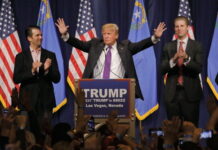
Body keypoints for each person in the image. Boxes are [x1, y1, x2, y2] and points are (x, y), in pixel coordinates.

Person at [56, 18, 166, 99]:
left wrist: (155, 37)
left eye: (109, 33)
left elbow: (141, 45)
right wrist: (66, 35)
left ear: (116, 35)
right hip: (96, 89)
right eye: (104, 34)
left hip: (119, 90)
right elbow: (79, 44)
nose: (106, 36)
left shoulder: (126, 46)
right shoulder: (95, 44)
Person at [161, 16, 203, 126]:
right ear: (174, 29)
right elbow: (162, 69)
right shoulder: (168, 46)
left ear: (188, 27)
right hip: (172, 94)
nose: (179, 29)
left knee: (190, 128)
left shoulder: (196, 45)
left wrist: (187, 59)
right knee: (173, 130)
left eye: (182, 26)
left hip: (190, 94)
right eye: (176, 26)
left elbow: (198, 68)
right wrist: (173, 60)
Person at [13, 25, 60, 119]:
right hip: (27, 103)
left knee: (46, 132)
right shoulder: (21, 56)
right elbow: (16, 78)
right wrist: (32, 71)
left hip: (46, 102)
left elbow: (57, 78)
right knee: (27, 133)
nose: (41, 37)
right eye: (37, 35)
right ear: (29, 38)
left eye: (41, 35)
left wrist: (46, 71)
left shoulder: (50, 55)